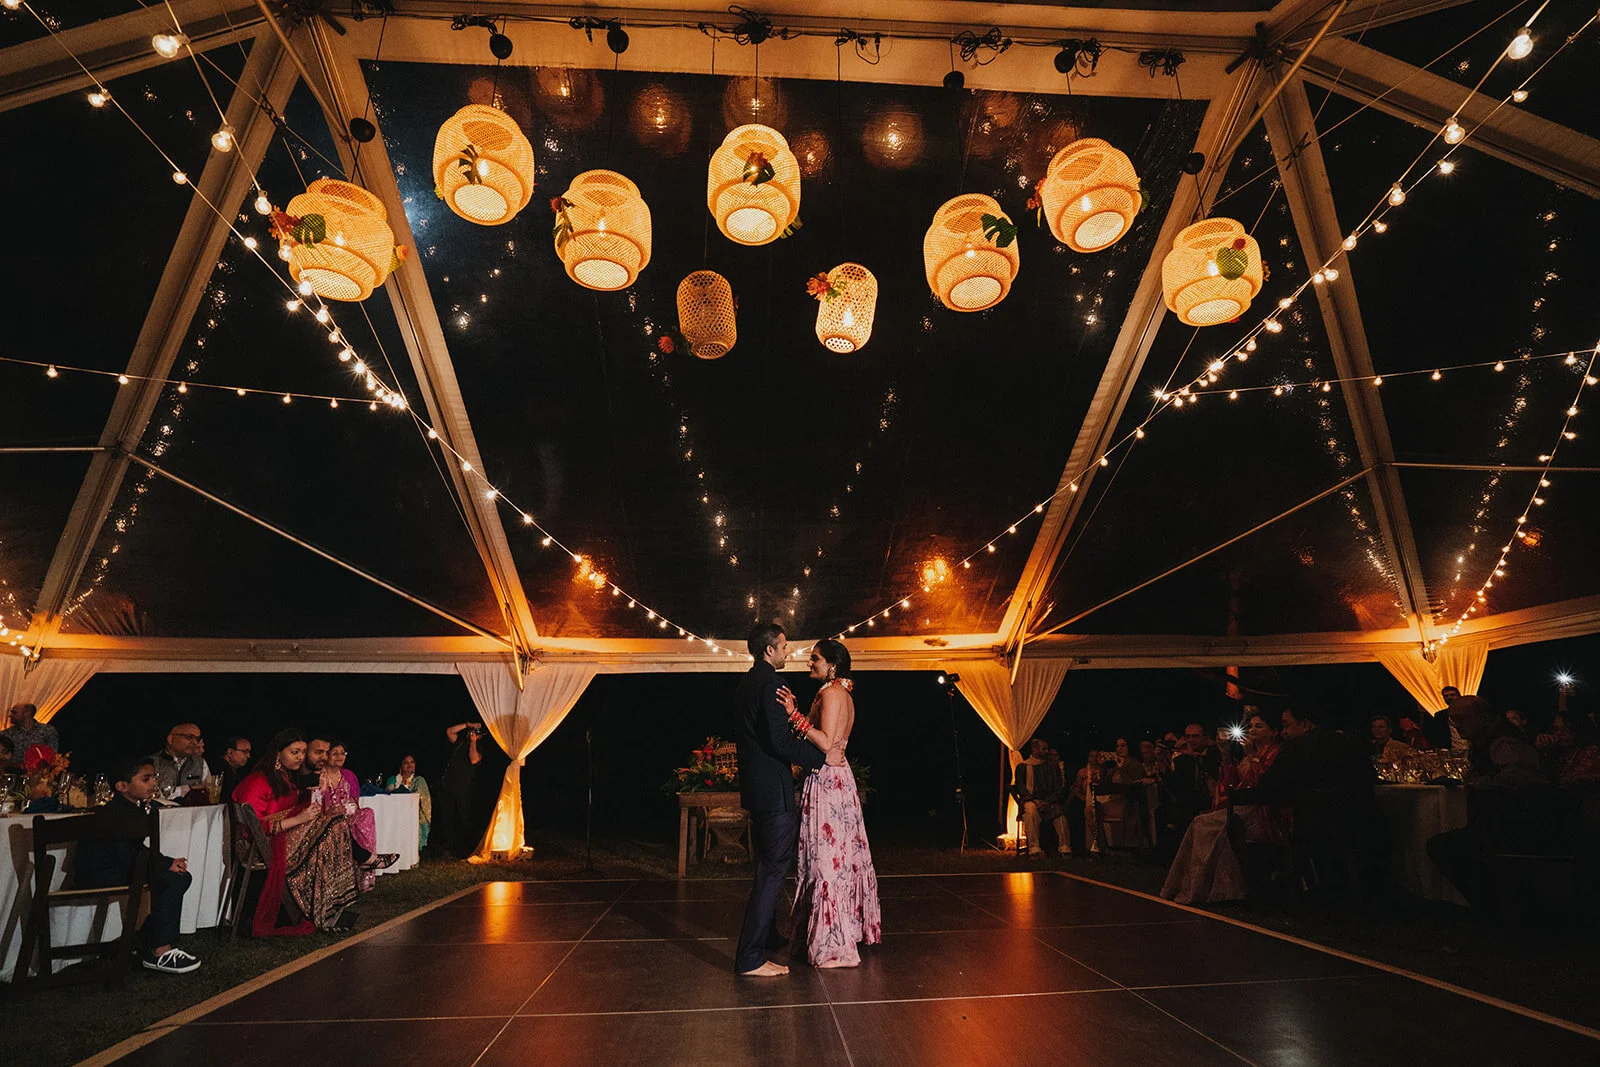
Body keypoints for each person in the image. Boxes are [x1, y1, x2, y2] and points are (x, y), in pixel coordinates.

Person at [732, 622, 833, 978]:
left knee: (767, 865)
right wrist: (821, 759)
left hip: (756, 789)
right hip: (773, 791)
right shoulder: (773, 683)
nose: (788, 652)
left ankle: (770, 936)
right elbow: (779, 741)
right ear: (768, 650)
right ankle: (750, 958)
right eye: (784, 646)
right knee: (772, 870)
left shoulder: (747, 682)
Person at [781, 638, 881, 969]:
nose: (810, 663)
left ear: (832, 665)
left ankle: (832, 945)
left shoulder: (833, 694)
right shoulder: (840, 693)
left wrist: (794, 715)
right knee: (831, 858)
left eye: (815, 659)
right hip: (834, 779)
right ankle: (831, 934)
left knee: (827, 860)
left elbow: (825, 742)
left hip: (828, 780)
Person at [73, 757, 201, 974]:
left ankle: (146, 938)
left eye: (154, 778)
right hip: (101, 874)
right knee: (174, 878)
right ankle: (159, 949)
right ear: (122, 786)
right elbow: (126, 854)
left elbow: (135, 849)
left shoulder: (131, 809)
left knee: (178, 876)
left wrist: (167, 862)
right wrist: (165, 865)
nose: (153, 783)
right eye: (146, 779)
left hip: (116, 866)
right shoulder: (118, 812)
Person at [1427, 694, 1557, 906]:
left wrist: (1482, 782)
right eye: (1453, 720)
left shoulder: (1502, 741)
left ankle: (1492, 905)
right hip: (1502, 822)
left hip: (1519, 824)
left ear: (1483, 718)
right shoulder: (1484, 741)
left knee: (1446, 847)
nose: (1456, 725)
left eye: (1461, 719)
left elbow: (1522, 775)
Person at [232, 728, 359, 936]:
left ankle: (329, 905)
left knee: (335, 822)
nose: (300, 757)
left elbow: (290, 810)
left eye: (302, 752)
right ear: (277, 753)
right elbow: (257, 828)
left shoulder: (283, 778)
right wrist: (301, 818)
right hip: (261, 845)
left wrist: (319, 795)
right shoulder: (258, 781)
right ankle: (324, 908)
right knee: (333, 827)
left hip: (281, 839)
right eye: (294, 752)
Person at [1161, 712, 1283, 904]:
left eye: (1258, 726)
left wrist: (1251, 755)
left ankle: (1200, 888)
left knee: (1203, 824)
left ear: (1273, 732)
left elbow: (1261, 785)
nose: (1252, 730)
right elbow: (1231, 784)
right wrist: (1226, 753)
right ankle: (1192, 885)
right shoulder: (1247, 755)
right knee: (1200, 823)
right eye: (1250, 726)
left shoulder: (1275, 753)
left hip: (1261, 812)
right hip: (1241, 809)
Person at [326, 740, 396, 881]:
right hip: (329, 818)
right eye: (334, 753)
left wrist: (351, 808)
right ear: (326, 755)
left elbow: (354, 801)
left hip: (348, 815)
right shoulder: (320, 776)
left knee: (367, 813)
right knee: (338, 823)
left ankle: (367, 862)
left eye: (342, 753)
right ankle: (367, 859)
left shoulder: (348, 775)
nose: (339, 757)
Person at [1012, 737, 1071, 856]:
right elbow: (1021, 788)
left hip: (1049, 801)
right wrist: (1034, 800)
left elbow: (1058, 786)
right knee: (1031, 811)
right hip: (1031, 801)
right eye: (1044, 749)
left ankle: (1065, 847)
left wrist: (1048, 801)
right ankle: (1034, 848)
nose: (1047, 751)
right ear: (1034, 749)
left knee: (1059, 814)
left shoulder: (1052, 766)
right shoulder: (1023, 767)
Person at [435, 720, 485, 858]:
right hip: (448, 787)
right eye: (471, 732)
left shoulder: (479, 748)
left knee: (465, 819)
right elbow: (449, 731)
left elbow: (474, 760)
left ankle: (467, 849)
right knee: (447, 818)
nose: (472, 734)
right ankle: (448, 849)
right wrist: (468, 724)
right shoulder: (460, 743)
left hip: (464, 790)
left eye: (476, 733)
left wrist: (474, 741)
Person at [150, 724, 211, 797]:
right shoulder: (152, 763)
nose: (195, 742)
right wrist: (183, 790)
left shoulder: (200, 763)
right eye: (189, 737)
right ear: (171, 739)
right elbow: (150, 794)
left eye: (197, 739)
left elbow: (210, 792)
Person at [385, 754, 432, 849]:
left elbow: (424, 801)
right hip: (395, 813)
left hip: (413, 814)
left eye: (412, 762)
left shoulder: (419, 781)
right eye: (406, 762)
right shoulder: (393, 780)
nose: (409, 765)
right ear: (401, 766)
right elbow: (388, 797)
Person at [219, 736, 253, 801]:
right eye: (245, 752)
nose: (248, 756)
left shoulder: (239, 771)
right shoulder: (220, 770)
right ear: (230, 752)